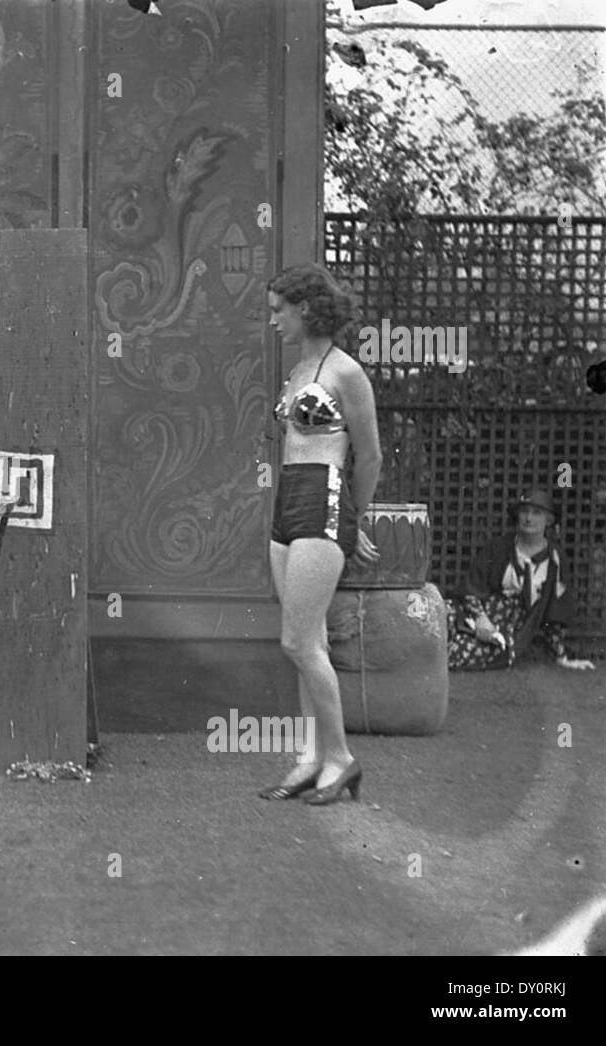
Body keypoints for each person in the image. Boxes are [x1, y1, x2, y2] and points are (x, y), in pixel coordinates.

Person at [262, 263, 383, 805]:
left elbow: (371, 454)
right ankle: (310, 758)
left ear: (306, 309)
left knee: (298, 642)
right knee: (305, 642)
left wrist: (352, 516)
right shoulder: (298, 370)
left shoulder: (346, 372)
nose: (272, 321)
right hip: (288, 502)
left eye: (277, 310)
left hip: (324, 500)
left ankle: (341, 759)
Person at [446, 488, 595, 672]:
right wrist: (481, 618)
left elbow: (554, 613)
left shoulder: (555, 560)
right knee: (439, 616)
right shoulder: (498, 547)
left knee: (453, 654)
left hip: (506, 631)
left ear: (548, 520)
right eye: (525, 511)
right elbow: (472, 586)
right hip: (476, 614)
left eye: (536, 513)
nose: (529, 518)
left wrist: (561, 657)